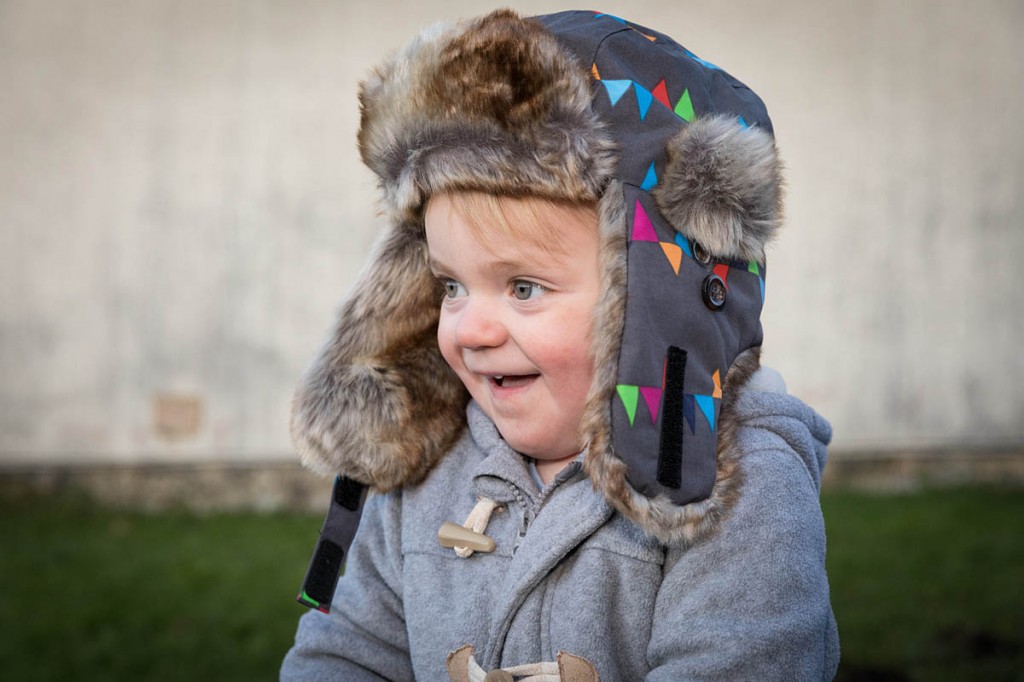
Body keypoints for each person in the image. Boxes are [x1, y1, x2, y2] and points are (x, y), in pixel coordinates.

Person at [281, 9, 839, 681]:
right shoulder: (423, 473)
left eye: (522, 288)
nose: (471, 330)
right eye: (450, 286)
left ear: (657, 295)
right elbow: (344, 655)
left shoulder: (738, 489)